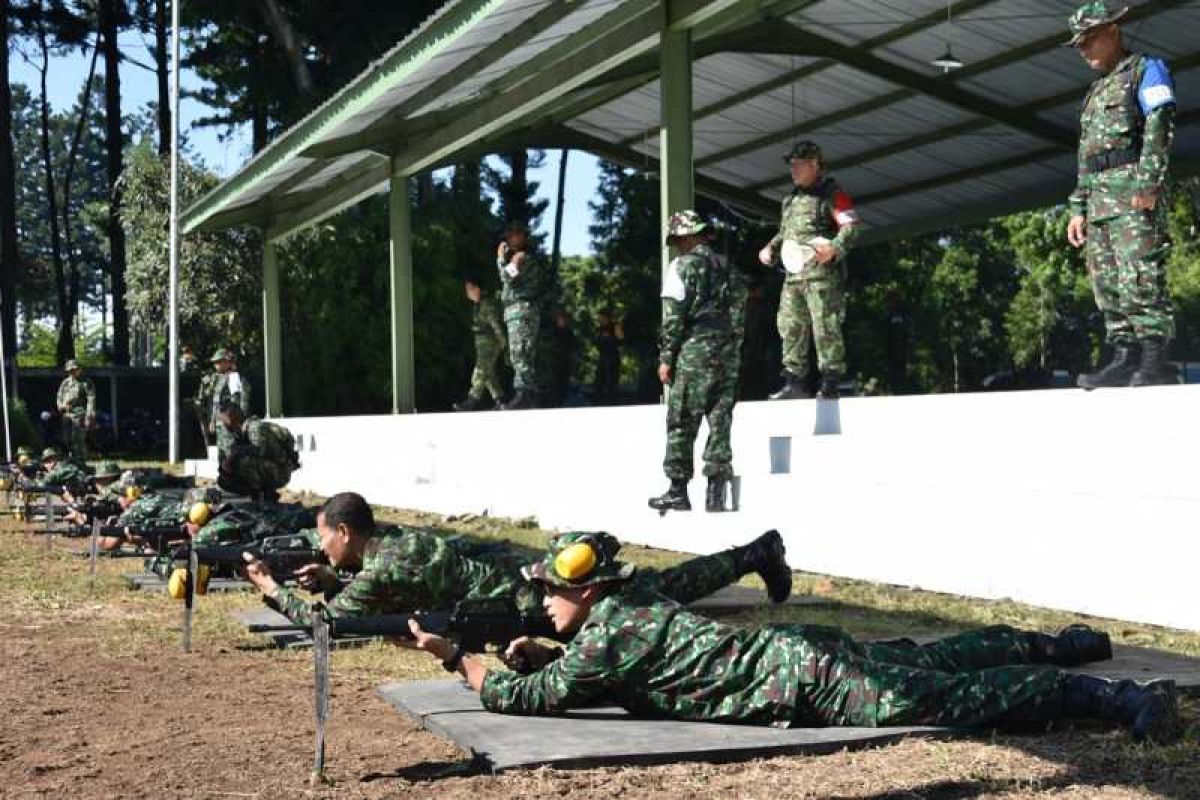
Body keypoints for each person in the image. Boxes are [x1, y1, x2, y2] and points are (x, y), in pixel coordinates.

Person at [402, 533, 1181, 745]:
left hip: (808, 683)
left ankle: (1112, 697)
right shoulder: (627, 607)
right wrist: (548, 648)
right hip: (801, 655)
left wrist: (465, 665)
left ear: (590, 592)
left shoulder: (608, 638)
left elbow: (530, 698)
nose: (544, 600)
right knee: (929, 655)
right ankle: (1058, 643)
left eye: (554, 591)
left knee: (958, 697)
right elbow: (599, 662)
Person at [242, 491, 792, 627]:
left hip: (530, 597)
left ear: (344, 532)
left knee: (657, 594)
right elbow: (388, 588)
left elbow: (330, 624)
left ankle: (754, 553)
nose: (324, 548)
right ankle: (751, 553)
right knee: (657, 588)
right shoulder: (393, 542)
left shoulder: (384, 566)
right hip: (514, 582)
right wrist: (336, 577)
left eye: (326, 540)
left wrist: (273, 589)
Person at [1065, 2, 1178, 389]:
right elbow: (1087, 154)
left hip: (1132, 193)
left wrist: (1149, 183)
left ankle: (1155, 358)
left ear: (1113, 31)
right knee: (1107, 282)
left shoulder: (1147, 70)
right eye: (1077, 45)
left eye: (1088, 40)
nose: (1083, 51)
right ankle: (1124, 357)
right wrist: (1078, 207)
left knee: (1140, 275)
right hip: (1098, 201)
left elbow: (1159, 126)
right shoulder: (1095, 92)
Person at [758, 141, 861, 401]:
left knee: (825, 327)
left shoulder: (831, 193)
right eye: (791, 165)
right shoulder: (790, 200)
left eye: (798, 164)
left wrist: (834, 248)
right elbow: (784, 233)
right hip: (794, 277)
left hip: (822, 279)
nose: (793, 170)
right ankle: (794, 382)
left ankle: (831, 381)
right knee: (789, 325)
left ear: (814, 164)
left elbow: (852, 227)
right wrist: (770, 248)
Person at [649, 210, 736, 514]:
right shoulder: (726, 267)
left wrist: (666, 358)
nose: (678, 247)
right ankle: (716, 493)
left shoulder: (680, 267)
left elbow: (672, 319)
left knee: (682, 419)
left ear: (685, 237)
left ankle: (678, 490)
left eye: (678, 241)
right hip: (726, 350)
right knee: (719, 418)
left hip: (694, 349)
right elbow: (740, 311)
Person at [496, 222, 547, 410]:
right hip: (521, 311)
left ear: (522, 237)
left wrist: (500, 258)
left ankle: (524, 393)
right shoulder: (522, 257)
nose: (509, 239)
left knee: (520, 353)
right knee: (524, 353)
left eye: (513, 235)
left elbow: (507, 277)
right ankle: (529, 395)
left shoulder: (519, 257)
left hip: (521, 311)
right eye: (508, 236)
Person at [216, 403, 298, 502]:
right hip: (272, 468)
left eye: (224, 421)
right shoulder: (241, 431)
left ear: (233, 417)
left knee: (240, 462)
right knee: (230, 466)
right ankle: (258, 493)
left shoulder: (254, 428)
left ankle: (262, 493)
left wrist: (235, 453)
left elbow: (260, 450)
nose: (223, 424)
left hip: (280, 472)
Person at [454, 276, 508, 412]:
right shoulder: (478, 304)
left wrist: (503, 342)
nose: (468, 293)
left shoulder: (487, 304)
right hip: (482, 344)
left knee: (480, 371)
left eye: (470, 289)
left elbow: (495, 324)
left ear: (478, 289)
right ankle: (500, 400)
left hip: (490, 343)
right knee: (489, 374)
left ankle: (472, 400)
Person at [202, 348, 251, 460]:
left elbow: (239, 400)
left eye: (218, 362)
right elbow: (216, 402)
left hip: (229, 422)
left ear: (226, 362)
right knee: (223, 454)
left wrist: (240, 420)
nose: (216, 365)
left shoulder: (233, 377)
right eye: (215, 362)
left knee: (230, 453)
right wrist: (213, 420)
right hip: (220, 422)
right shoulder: (218, 379)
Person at [56, 359, 96, 460]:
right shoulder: (65, 382)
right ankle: (71, 458)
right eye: (70, 370)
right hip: (66, 415)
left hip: (79, 415)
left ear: (79, 369)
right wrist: (61, 406)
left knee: (78, 439)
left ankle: (81, 459)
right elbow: (59, 396)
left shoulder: (86, 382)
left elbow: (91, 399)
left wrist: (89, 416)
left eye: (74, 369)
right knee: (66, 439)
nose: (72, 372)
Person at [545, 310, 578, 408]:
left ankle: (561, 404)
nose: (562, 321)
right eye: (560, 319)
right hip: (554, 364)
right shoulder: (553, 331)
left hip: (565, 365)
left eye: (564, 319)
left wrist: (573, 369)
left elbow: (574, 349)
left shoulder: (569, 332)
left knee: (563, 388)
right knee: (554, 387)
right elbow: (549, 346)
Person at [592, 312, 622, 405]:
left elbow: (620, 340)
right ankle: (598, 400)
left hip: (612, 357)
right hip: (603, 357)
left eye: (603, 318)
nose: (601, 320)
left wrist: (612, 336)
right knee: (599, 380)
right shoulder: (599, 329)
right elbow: (596, 342)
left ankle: (612, 400)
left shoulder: (614, 326)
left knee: (611, 380)